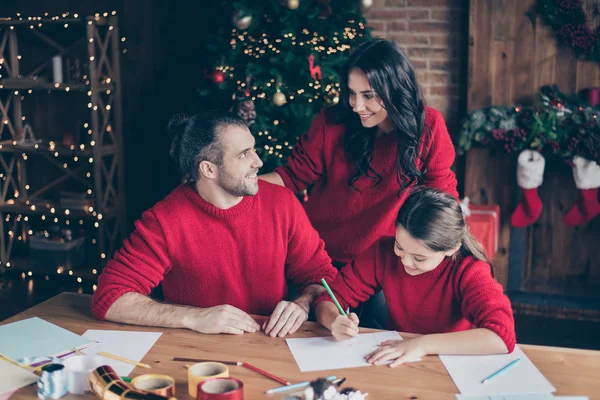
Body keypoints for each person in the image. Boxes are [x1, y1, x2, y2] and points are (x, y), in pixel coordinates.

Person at [260, 38, 458, 327]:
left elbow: (442, 198)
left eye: (368, 95)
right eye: (351, 93)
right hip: (321, 255)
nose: (356, 105)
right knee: (314, 334)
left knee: (378, 339)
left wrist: (455, 255)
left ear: (396, 90)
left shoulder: (428, 126)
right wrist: (235, 182)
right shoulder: (332, 122)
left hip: (383, 260)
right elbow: (291, 176)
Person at [92, 111, 338, 338]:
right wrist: (193, 317)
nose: (258, 162)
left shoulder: (282, 203)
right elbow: (109, 297)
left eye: (253, 149)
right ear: (209, 169)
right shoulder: (164, 220)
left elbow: (322, 276)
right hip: (196, 351)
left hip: (270, 344)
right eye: (244, 154)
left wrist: (303, 304)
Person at [314, 187, 516, 367]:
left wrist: (421, 345)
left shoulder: (469, 269)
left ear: (452, 248)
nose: (406, 262)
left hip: (450, 362)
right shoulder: (382, 252)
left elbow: (501, 336)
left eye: (420, 257)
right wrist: (334, 321)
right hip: (395, 360)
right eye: (399, 247)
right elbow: (326, 299)